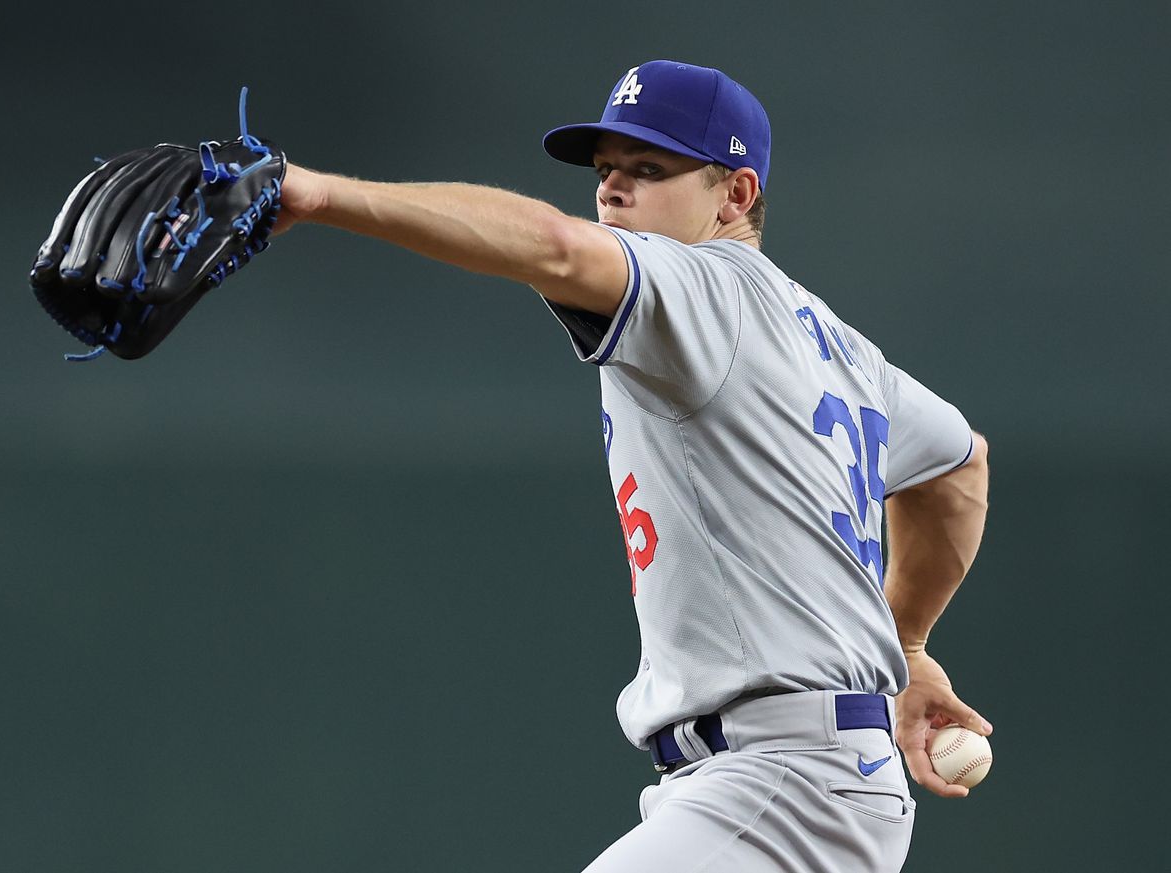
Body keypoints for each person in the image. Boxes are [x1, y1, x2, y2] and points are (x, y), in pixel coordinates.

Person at [273, 59, 992, 873]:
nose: (613, 190)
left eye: (650, 169)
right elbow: (961, 468)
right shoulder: (840, 348)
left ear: (736, 195)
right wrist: (906, 646)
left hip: (787, 786)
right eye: (606, 170)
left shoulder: (702, 291)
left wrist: (319, 193)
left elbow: (552, 246)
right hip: (786, 782)